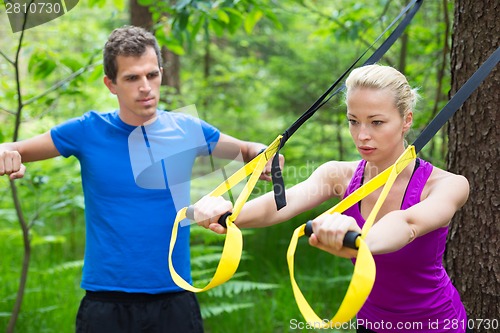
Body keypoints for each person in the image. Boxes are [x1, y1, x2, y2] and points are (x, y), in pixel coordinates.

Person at [0, 26, 283, 333]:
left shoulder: (185, 128)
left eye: (152, 75)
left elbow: (246, 150)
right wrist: (6, 152)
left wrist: (265, 154)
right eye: (132, 78)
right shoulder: (87, 130)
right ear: (111, 84)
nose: (145, 87)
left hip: (175, 297)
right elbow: (14, 149)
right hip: (105, 303)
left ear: (161, 72)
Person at [191, 64, 471, 333]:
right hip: (369, 322)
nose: (362, 135)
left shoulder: (446, 185)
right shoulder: (338, 175)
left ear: (406, 120)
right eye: (353, 121)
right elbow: (281, 205)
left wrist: (359, 240)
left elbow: (407, 224)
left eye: (376, 122)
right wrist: (227, 213)